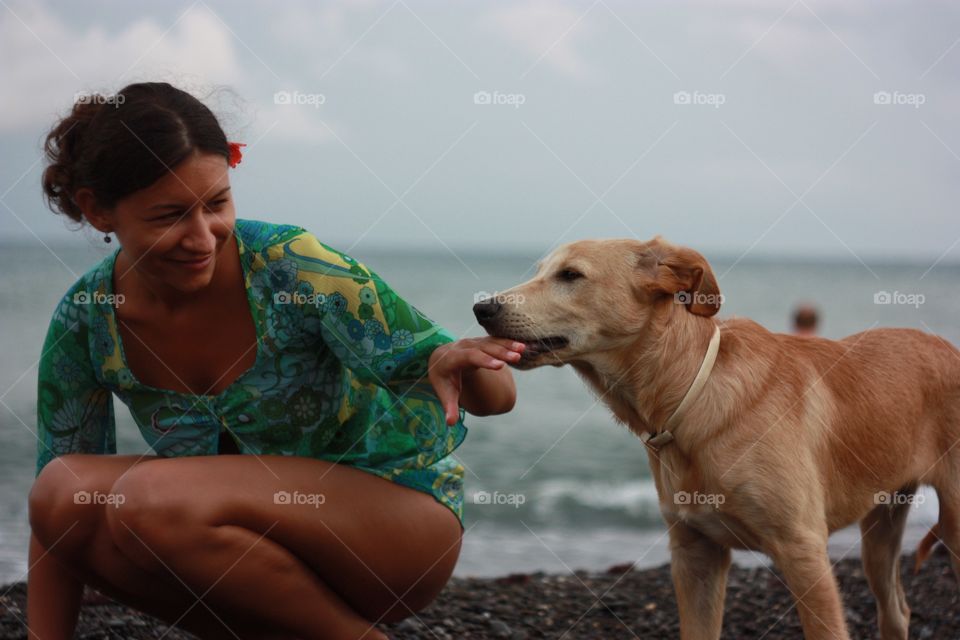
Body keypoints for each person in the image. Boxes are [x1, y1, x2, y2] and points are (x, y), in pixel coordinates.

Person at [28, 81, 524, 640]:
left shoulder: (291, 265)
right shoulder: (88, 316)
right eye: (169, 216)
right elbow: (54, 522)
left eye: (217, 204)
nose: (202, 237)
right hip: (239, 556)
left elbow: (493, 398)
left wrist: (469, 364)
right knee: (62, 491)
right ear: (97, 210)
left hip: (391, 530)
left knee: (148, 500)